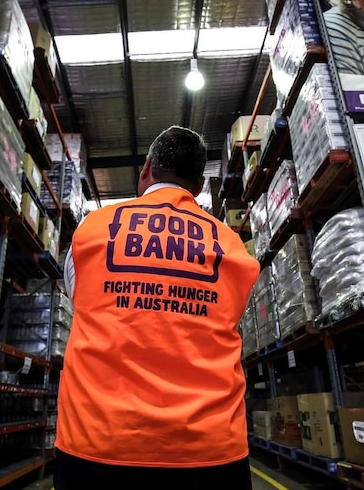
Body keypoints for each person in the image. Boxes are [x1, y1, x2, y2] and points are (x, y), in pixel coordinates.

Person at [55, 125, 261, 490]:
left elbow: (82, 301)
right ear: (198, 187)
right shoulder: (233, 248)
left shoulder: (90, 231)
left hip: (97, 445)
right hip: (208, 451)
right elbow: (228, 317)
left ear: (146, 168)